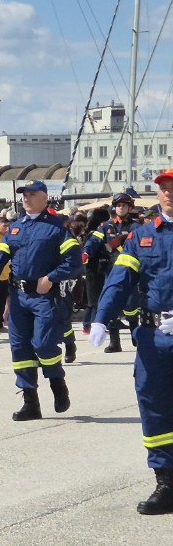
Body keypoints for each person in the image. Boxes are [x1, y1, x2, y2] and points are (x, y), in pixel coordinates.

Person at [89, 168, 173, 515]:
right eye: (164, 188)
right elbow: (120, 279)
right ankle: (166, 481)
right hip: (154, 336)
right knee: (153, 406)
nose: (168, 193)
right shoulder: (141, 236)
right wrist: (100, 317)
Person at [0, 180, 83, 421]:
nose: (26, 198)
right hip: (19, 297)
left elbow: (74, 262)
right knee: (20, 349)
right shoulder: (15, 229)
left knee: (43, 345)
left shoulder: (57, 227)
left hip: (44, 297)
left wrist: (51, 278)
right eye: (24, 194)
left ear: (45, 198)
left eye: (32, 194)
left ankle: (57, 382)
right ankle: (30, 402)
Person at [95, 191, 143, 352]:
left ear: (129, 208)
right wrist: (86, 252)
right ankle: (114, 343)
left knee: (131, 307)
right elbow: (94, 241)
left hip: (130, 271)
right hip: (111, 270)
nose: (120, 208)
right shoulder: (106, 226)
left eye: (124, 205)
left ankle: (136, 338)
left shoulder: (137, 227)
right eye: (118, 205)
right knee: (110, 304)